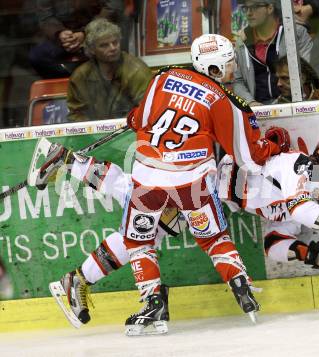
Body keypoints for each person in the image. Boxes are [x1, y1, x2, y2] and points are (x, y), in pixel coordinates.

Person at [39, 33, 289, 335]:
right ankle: (234, 283)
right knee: (175, 233)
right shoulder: (224, 100)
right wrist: (272, 145)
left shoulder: (162, 77)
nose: (234, 66)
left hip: (150, 175)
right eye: (229, 62)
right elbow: (249, 156)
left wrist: (137, 119)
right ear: (214, 68)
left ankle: (140, 294)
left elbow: (139, 118)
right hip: (190, 182)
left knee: (140, 234)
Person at [36, 134, 319, 328]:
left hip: (207, 194)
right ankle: (70, 164)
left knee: (143, 226)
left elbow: (274, 241)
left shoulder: (303, 198)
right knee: (138, 201)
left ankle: (76, 277)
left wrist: (308, 253)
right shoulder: (296, 167)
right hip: (205, 173)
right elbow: (301, 207)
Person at [67, 18, 153, 122]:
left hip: (129, 131)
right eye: (104, 45)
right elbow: (76, 114)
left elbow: (148, 112)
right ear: (92, 49)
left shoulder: (137, 71)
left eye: (115, 42)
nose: (113, 48)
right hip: (94, 133)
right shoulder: (80, 76)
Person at [233, 0, 314, 105]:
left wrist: (280, 103)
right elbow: (237, 80)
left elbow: (305, 72)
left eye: (255, 7)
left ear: (270, 8)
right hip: (257, 112)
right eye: (246, 8)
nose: (249, 13)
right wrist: (251, 102)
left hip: (292, 107)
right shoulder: (242, 41)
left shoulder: (295, 33)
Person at [30, 0, 124, 79]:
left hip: (96, 33)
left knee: (111, 51)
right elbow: (45, 16)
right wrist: (60, 34)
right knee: (37, 56)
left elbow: (112, 9)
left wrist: (85, 33)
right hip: (62, 37)